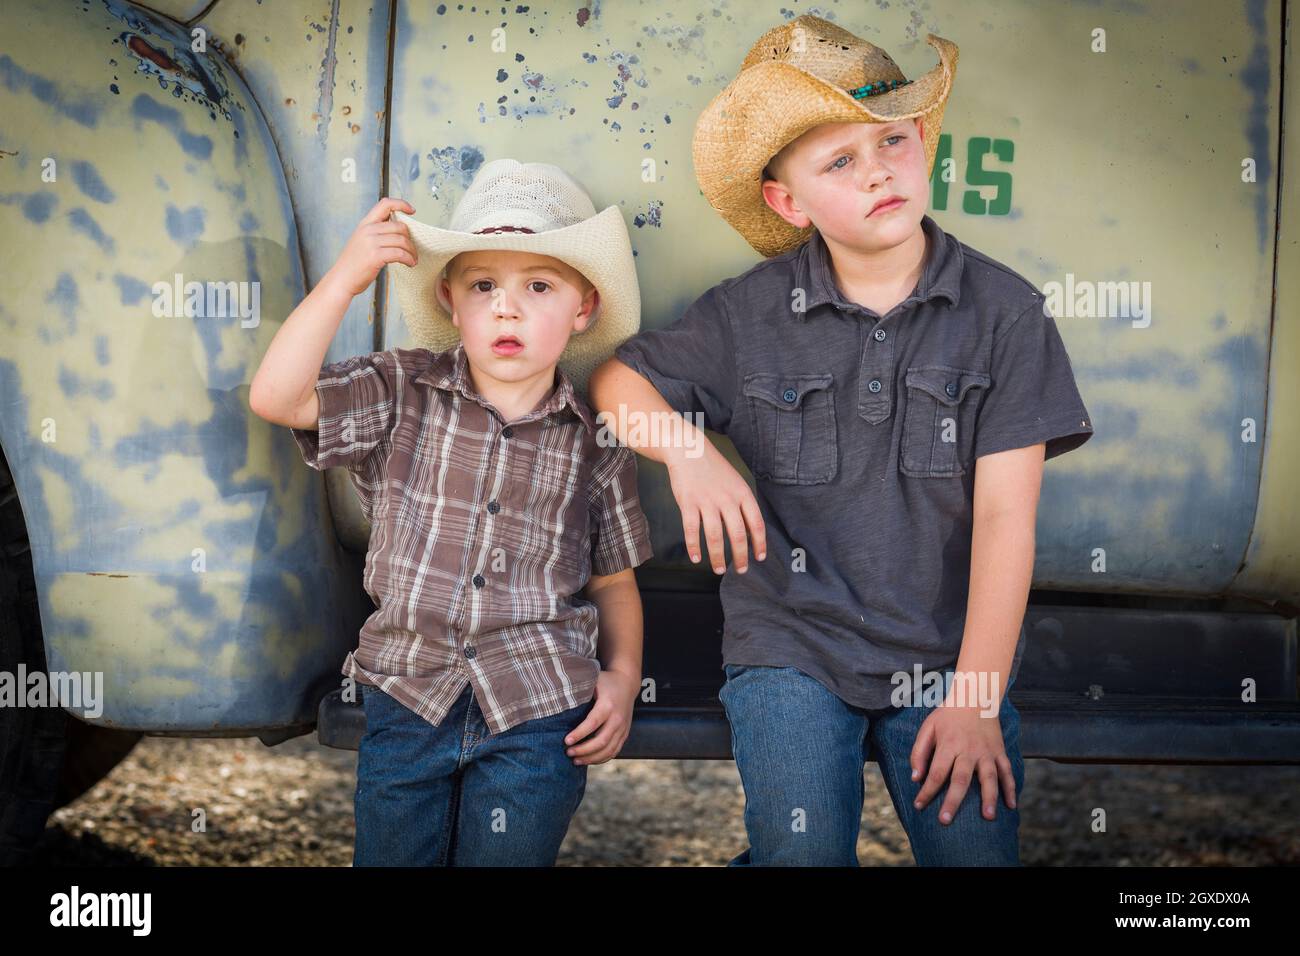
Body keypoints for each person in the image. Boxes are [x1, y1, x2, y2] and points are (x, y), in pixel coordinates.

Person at [589, 15, 1094, 866]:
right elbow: (614, 383)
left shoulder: (1006, 315)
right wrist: (687, 450)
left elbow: (1009, 522)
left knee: (975, 856)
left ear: (924, 139)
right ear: (787, 201)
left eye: (891, 140)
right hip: (792, 648)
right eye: (839, 161)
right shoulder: (750, 313)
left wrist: (974, 698)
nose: (878, 174)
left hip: (944, 654)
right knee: (804, 853)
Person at [249, 159, 653, 866]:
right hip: (409, 695)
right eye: (483, 285)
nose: (507, 307)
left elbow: (614, 581)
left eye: (538, 285)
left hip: (539, 707)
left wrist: (621, 679)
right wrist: (346, 279)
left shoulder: (595, 441)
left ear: (583, 307)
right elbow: (277, 398)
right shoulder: (401, 388)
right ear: (450, 299)